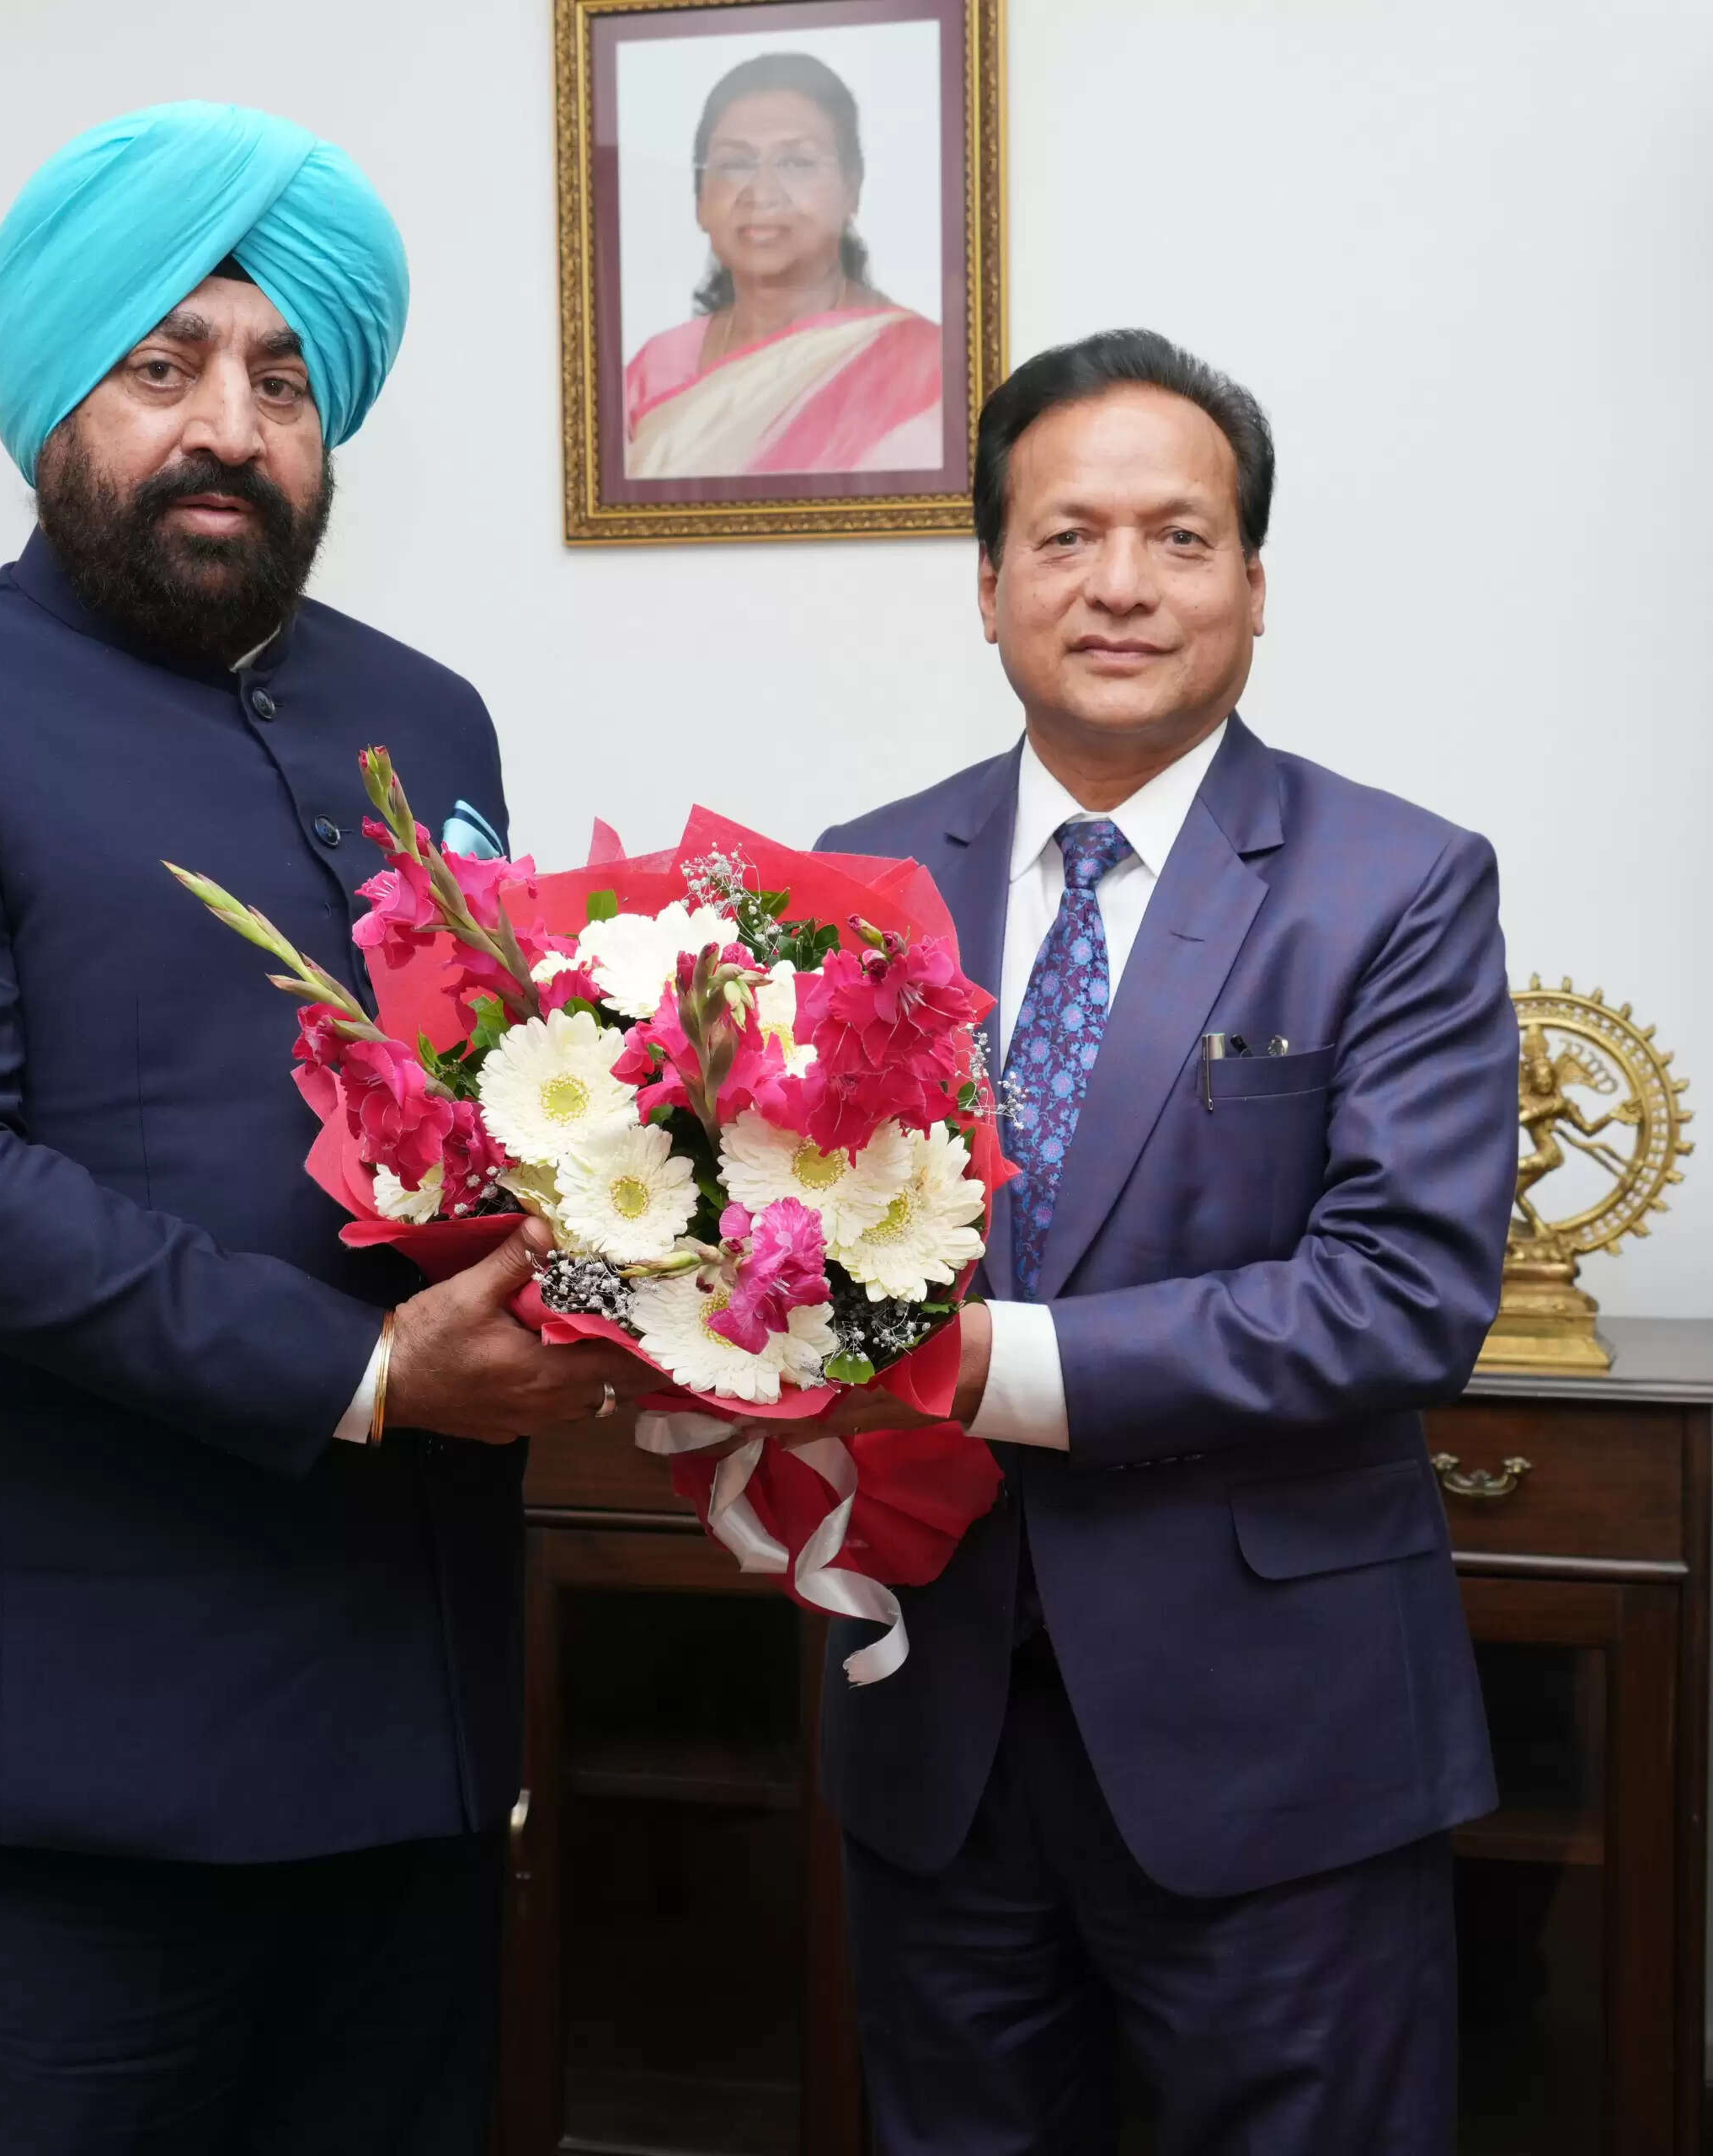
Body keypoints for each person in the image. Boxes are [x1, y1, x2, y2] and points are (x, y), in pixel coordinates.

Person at [0, 100, 648, 2155]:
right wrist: (370, 1363)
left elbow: (497, 1112)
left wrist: (642, 1271)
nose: (226, 423)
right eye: (164, 368)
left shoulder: (430, 710)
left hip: (406, 1708)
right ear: (62, 399)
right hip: (80, 1739)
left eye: (281, 377)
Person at [813, 328, 1518, 2152]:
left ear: (1253, 585)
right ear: (985, 583)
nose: (1116, 583)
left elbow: (1398, 1294)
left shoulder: (1397, 884)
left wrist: (986, 1364)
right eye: (1061, 535)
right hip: (934, 1732)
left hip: (1273, 1753)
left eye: (1176, 536)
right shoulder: (853, 881)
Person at [623, 51, 942, 478]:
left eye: (796, 162)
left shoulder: (927, 365)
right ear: (700, 199)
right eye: (735, 163)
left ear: (853, 188)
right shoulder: (653, 371)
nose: (762, 192)